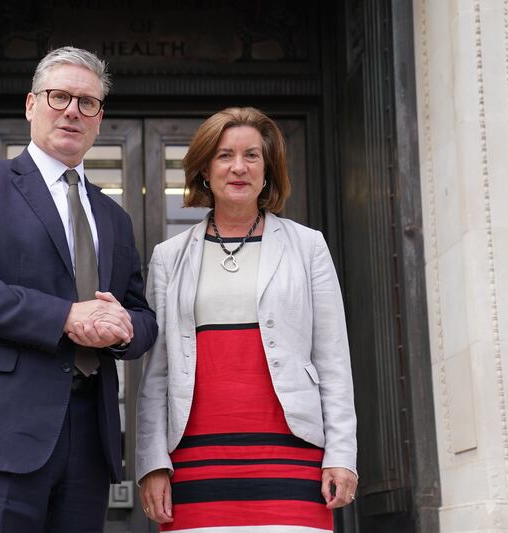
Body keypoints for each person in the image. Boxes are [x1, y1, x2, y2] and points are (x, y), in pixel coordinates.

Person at [0, 46, 157, 532]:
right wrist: (64, 317)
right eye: (59, 97)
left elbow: (140, 313)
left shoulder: (114, 217)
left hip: (88, 439)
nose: (73, 110)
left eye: (87, 102)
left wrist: (123, 328)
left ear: (99, 119)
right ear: (31, 105)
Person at [135, 107, 357, 532]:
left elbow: (333, 360)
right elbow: (156, 374)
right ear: (204, 169)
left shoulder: (308, 246)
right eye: (224, 155)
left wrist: (342, 455)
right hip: (195, 462)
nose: (239, 167)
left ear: (267, 169)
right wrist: (152, 462)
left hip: (294, 458)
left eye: (252, 155)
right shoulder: (169, 256)